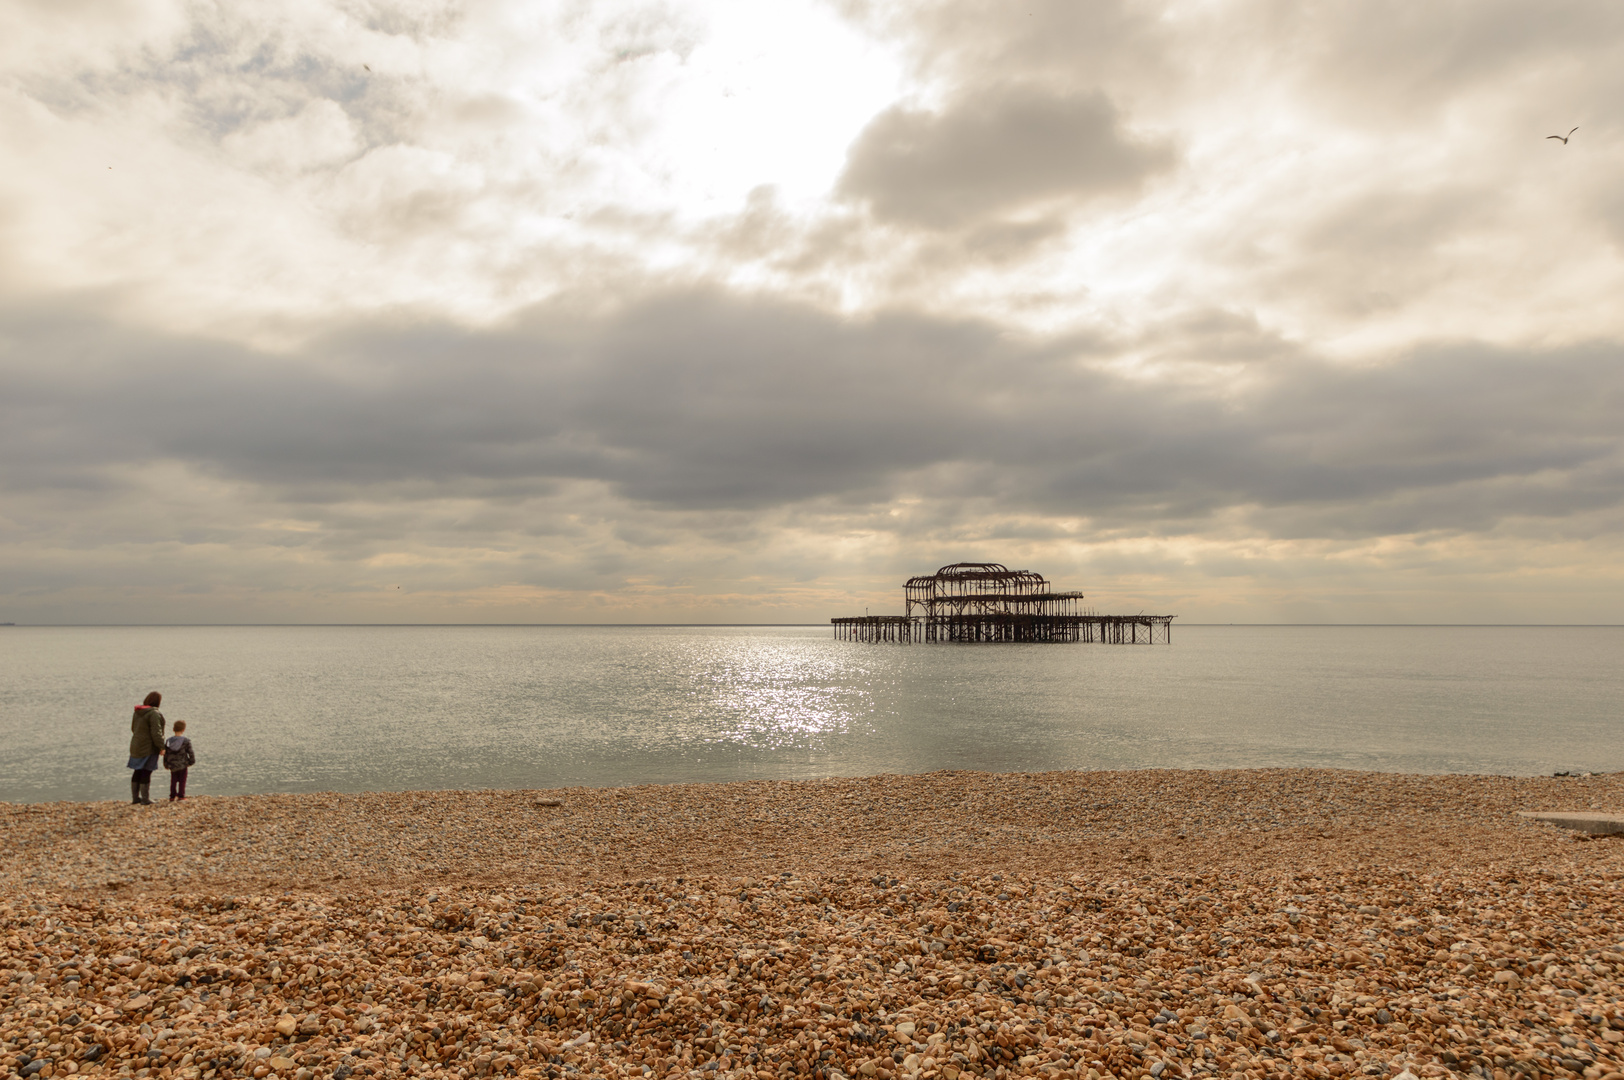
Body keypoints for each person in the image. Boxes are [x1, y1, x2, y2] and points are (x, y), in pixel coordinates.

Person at [127, 691, 165, 805]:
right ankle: (145, 799)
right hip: (148, 747)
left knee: (137, 770)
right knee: (147, 771)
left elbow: (133, 728)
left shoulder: (138, 712)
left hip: (136, 745)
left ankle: (135, 798)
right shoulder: (154, 713)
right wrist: (161, 746)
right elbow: (156, 733)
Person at [164, 720, 196, 801]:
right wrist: (191, 762)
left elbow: (166, 753)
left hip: (172, 765)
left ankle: (172, 796)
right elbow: (190, 752)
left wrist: (166, 763)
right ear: (183, 730)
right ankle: (181, 795)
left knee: (173, 780)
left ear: (173, 729)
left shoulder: (168, 741)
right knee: (182, 780)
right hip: (183, 764)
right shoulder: (186, 741)